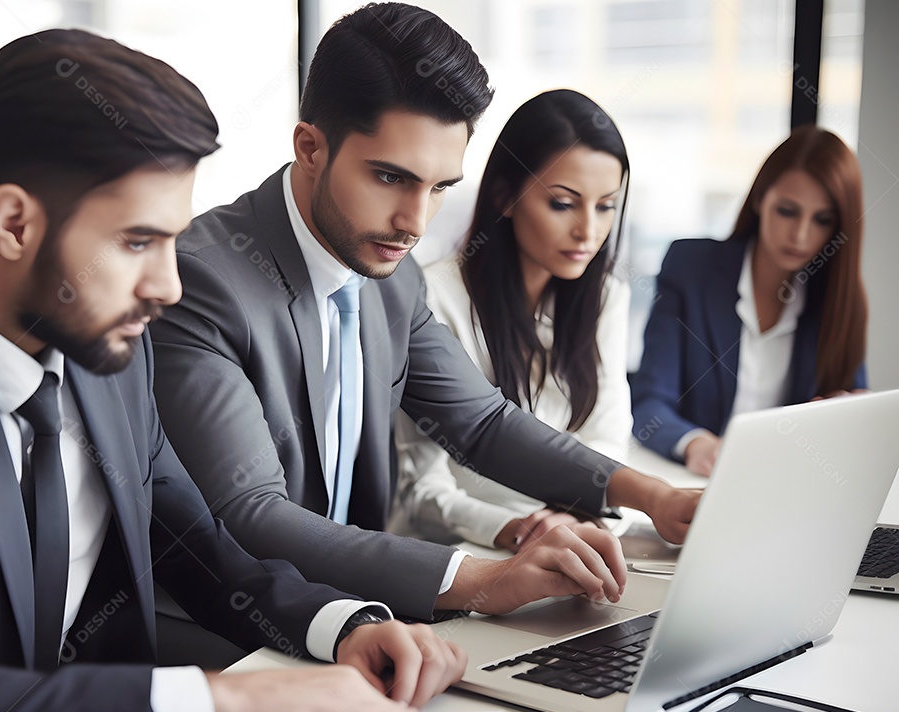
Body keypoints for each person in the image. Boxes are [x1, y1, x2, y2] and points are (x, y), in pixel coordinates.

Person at [0, 29, 468, 712]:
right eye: (137, 242)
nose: (168, 287)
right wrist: (225, 699)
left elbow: (197, 548)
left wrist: (345, 627)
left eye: (172, 241)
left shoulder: (107, 351)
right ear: (14, 224)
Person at [152, 2, 699, 625]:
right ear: (310, 148)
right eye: (391, 177)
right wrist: (481, 580)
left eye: (440, 187)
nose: (414, 222)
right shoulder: (202, 279)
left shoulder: (391, 276)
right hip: (233, 632)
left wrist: (654, 496)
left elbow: (481, 425)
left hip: (362, 614)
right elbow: (250, 513)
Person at [390, 90, 634, 551]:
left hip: (571, 535)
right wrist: (521, 530)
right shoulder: (431, 299)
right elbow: (420, 489)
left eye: (606, 206)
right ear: (505, 196)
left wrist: (570, 522)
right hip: (462, 551)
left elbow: (607, 438)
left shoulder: (606, 298)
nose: (588, 231)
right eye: (562, 203)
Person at [631, 125, 868, 477]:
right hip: (698, 482)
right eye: (787, 211)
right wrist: (696, 444)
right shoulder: (690, 268)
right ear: (760, 200)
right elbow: (649, 401)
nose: (800, 235)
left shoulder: (838, 300)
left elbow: (853, 397)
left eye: (822, 220)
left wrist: (848, 415)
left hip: (790, 482)